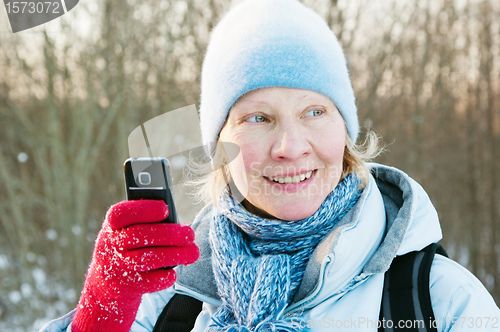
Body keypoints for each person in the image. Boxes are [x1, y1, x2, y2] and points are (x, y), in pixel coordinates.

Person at [40, 0, 500, 331]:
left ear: (345, 131)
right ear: (220, 143)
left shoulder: (440, 303)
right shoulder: (164, 304)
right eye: (257, 118)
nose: (290, 146)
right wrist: (101, 315)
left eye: (314, 112)